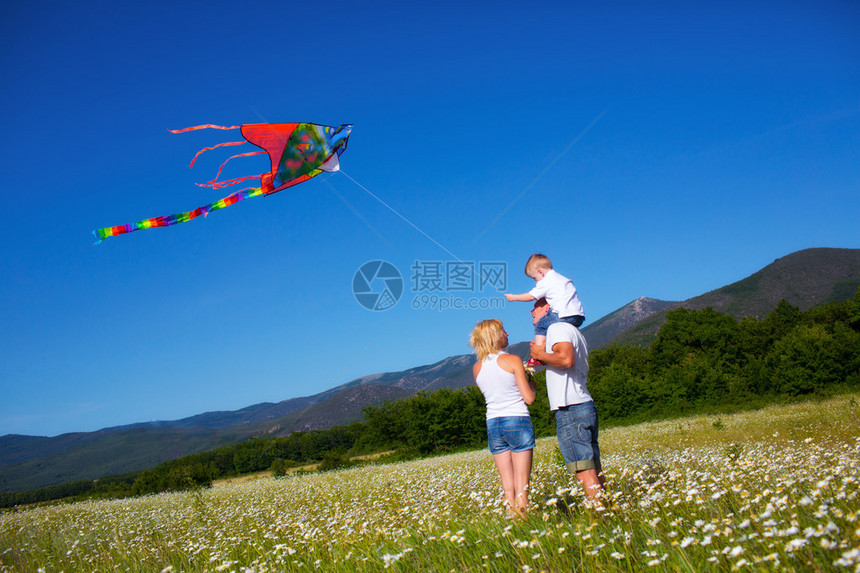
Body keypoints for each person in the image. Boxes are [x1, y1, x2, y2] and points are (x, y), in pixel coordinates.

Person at [528, 298, 605, 500]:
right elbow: (564, 361)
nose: (531, 312)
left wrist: (539, 353)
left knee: (583, 470)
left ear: (548, 308)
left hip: (570, 408)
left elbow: (565, 359)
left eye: (535, 306)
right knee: (594, 468)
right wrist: (542, 358)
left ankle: (600, 517)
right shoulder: (572, 330)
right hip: (583, 404)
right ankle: (609, 510)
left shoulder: (557, 328)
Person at [470, 319, 537, 518]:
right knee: (522, 484)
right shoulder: (513, 360)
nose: (507, 334)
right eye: (504, 331)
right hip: (517, 420)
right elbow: (529, 398)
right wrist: (531, 381)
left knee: (508, 487)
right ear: (495, 336)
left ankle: (511, 524)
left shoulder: (477, 367)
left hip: (493, 424)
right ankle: (523, 524)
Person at [504, 253, 585, 366]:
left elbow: (531, 296)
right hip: (578, 316)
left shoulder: (546, 281)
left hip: (562, 314)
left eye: (534, 278)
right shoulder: (562, 279)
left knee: (541, 325)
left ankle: (538, 350)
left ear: (541, 272)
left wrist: (513, 297)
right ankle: (545, 346)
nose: (536, 282)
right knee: (547, 326)